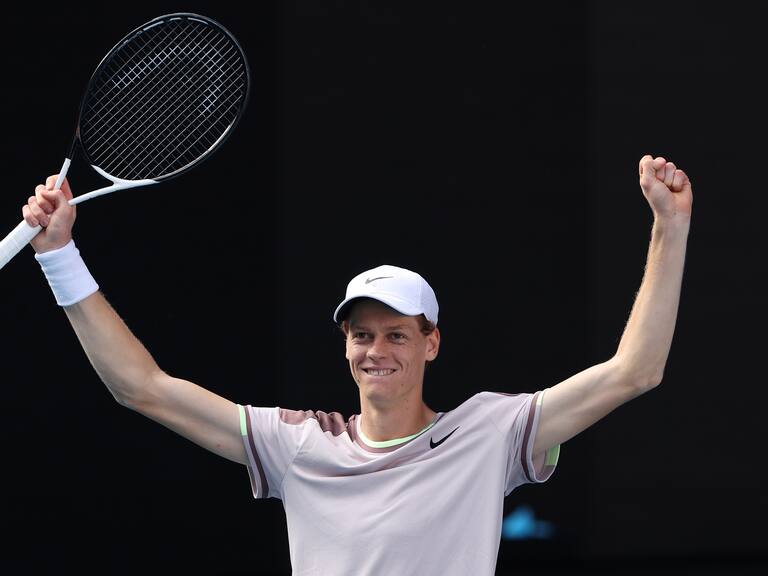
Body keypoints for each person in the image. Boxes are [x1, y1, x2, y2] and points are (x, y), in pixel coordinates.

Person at [23, 154, 692, 575]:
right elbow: (143, 388)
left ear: (432, 343)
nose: (377, 351)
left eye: (397, 335)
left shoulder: (489, 431)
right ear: (345, 346)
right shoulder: (298, 444)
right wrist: (59, 256)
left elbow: (635, 370)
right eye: (362, 335)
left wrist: (669, 227)